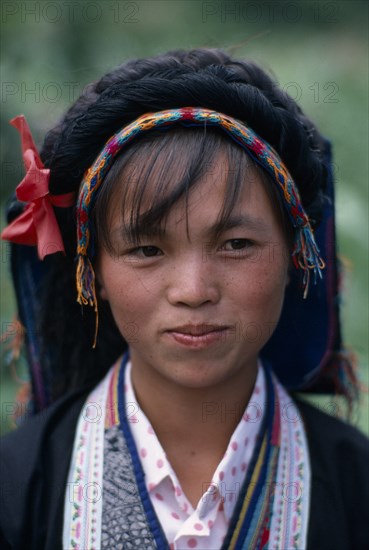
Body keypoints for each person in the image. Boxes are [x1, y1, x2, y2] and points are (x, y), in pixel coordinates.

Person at [0, 48, 368, 550]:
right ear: (94, 271)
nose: (194, 292)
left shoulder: (356, 485)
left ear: (293, 257)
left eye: (237, 244)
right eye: (147, 249)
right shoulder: (18, 486)